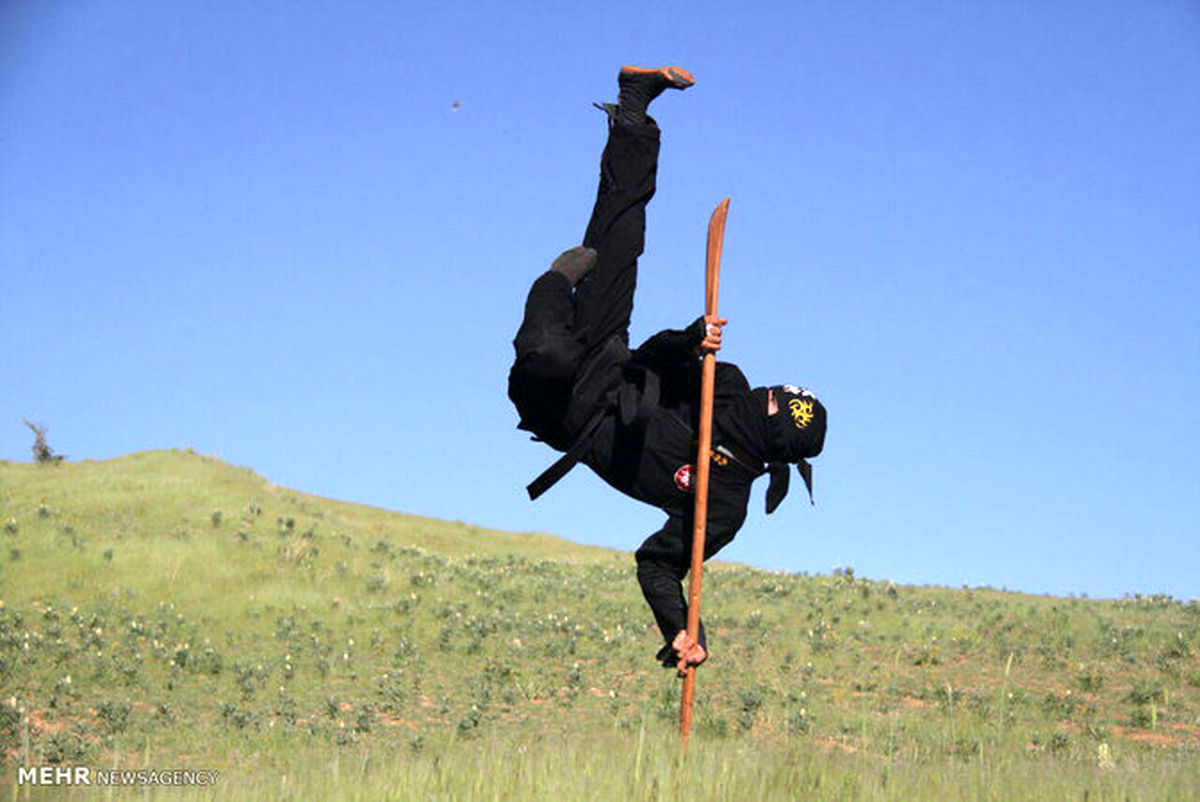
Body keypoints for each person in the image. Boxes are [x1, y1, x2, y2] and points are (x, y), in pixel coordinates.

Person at [508, 66, 827, 676]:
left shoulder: (723, 507)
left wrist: (686, 630)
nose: (760, 393)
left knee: (550, 355)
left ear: (774, 438)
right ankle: (634, 111)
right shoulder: (725, 385)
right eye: (774, 390)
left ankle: (551, 284)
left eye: (771, 404)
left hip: (562, 411)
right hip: (611, 362)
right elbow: (652, 355)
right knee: (619, 235)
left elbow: (657, 563)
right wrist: (690, 343)